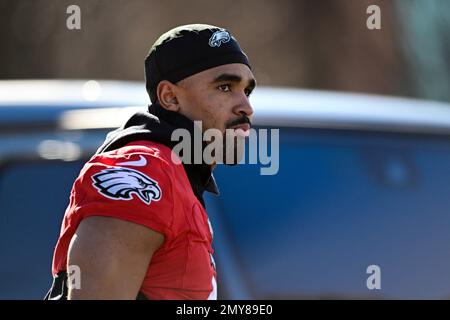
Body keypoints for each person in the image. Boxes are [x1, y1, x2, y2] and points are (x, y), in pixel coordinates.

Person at [44, 24, 256, 300]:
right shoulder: (145, 171)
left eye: (247, 91)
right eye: (225, 87)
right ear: (169, 97)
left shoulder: (179, 174)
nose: (246, 107)